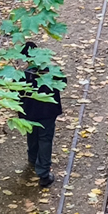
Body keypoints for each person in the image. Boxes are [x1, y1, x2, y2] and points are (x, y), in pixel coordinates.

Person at [20, 41, 63, 187]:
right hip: (47, 112)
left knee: (32, 135)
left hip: (28, 112)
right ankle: (44, 173)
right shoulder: (51, 71)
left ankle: (33, 158)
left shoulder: (22, 75)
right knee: (45, 139)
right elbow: (63, 82)